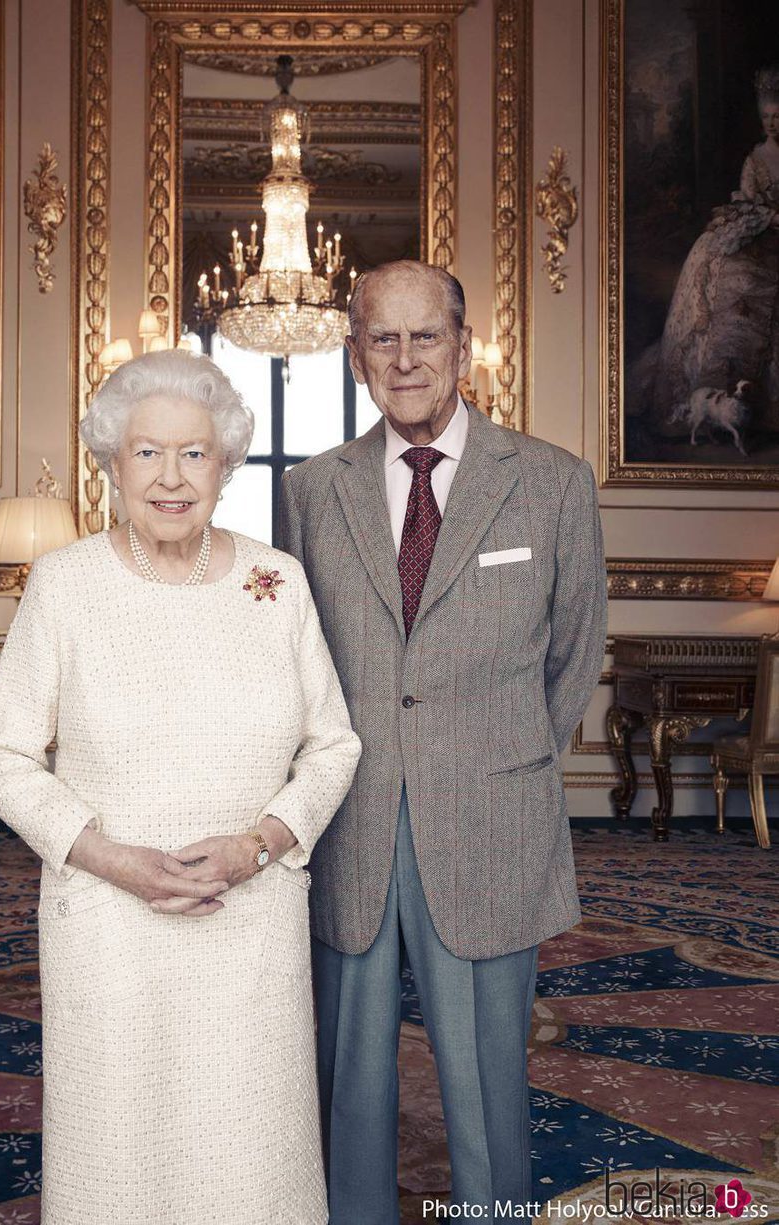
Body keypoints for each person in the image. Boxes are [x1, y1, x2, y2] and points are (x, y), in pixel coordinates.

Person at [0, 349, 361, 1224]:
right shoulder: (65, 584)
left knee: (250, 1147)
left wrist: (259, 844)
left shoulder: (278, 582)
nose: (172, 477)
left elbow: (334, 746)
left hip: (250, 922)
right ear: (111, 464)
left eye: (195, 453)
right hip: (110, 927)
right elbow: (0, 756)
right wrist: (110, 859)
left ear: (226, 464)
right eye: (147, 453)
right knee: (121, 1146)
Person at [279, 260, 608, 1224]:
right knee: (347, 1078)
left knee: (487, 1086)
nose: (407, 357)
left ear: (465, 348)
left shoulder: (551, 483)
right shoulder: (309, 492)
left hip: (490, 819)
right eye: (384, 337)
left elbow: (575, 653)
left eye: (428, 336)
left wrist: (493, 757)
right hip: (351, 825)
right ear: (354, 357)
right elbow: (297, 661)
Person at [649, 65, 779, 438]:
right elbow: (751, 206)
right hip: (759, 234)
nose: (771, 124)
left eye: (777, 117)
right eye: (766, 117)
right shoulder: (755, 160)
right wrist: (770, 217)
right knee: (730, 276)